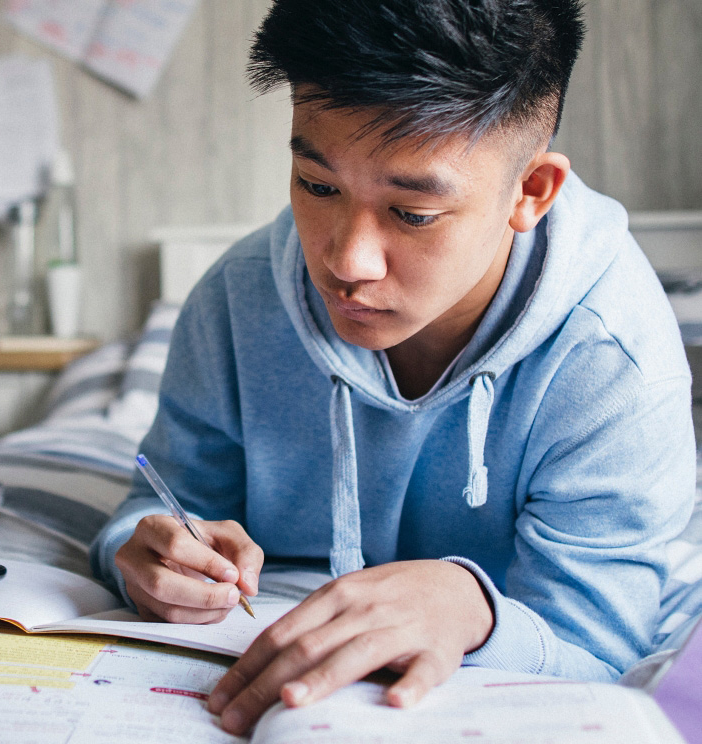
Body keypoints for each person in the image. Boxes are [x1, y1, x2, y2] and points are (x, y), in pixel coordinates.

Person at [89, 0, 697, 736]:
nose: (345, 262)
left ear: (529, 193)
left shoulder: (611, 359)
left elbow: (601, 647)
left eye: (411, 214)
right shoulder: (234, 299)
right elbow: (161, 507)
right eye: (317, 186)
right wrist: (140, 549)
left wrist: (471, 608)